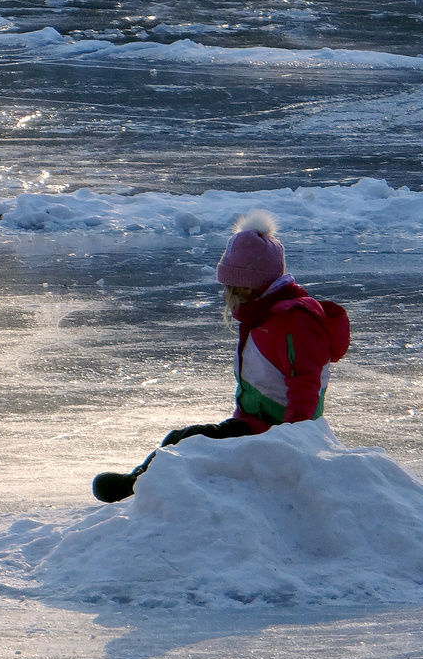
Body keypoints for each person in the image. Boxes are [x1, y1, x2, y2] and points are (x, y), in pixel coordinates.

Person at [91, 210, 350, 503]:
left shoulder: (291, 322)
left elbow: (305, 384)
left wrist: (290, 448)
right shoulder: (262, 315)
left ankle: (136, 487)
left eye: (232, 286)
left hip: (275, 437)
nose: (227, 294)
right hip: (254, 426)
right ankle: (139, 482)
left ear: (250, 285)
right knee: (184, 438)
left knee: (187, 442)